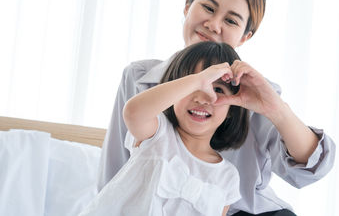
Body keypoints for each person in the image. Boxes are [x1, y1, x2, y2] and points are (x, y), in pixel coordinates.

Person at [97, 0, 336, 216]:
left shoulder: (257, 92)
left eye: (231, 20)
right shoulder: (138, 77)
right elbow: (115, 172)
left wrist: (276, 109)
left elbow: (306, 173)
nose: (213, 25)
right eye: (208, 8)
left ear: (245, 36)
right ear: (187, 6)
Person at [81, 41, 249, 216]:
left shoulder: (228, 177)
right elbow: (132, 112)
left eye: (218, 89)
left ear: (232, 108)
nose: (202, 97)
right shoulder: (158, 133)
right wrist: (198, 80)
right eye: (194, 86)